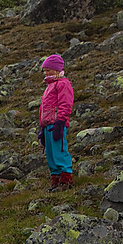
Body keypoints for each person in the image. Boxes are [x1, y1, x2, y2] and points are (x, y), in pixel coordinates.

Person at [37, 54, 74, 191]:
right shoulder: (49, 85)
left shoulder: (63, 84)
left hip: (57, 123)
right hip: (47, 125)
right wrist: (42, 127)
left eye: (48, 70)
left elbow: (66, 104)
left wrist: (60, 122)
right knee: (51, 153)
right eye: (44, 70)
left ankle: (66, 179)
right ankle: (56, 179)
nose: (46, 73)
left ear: (57, 70)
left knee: (60, 150)